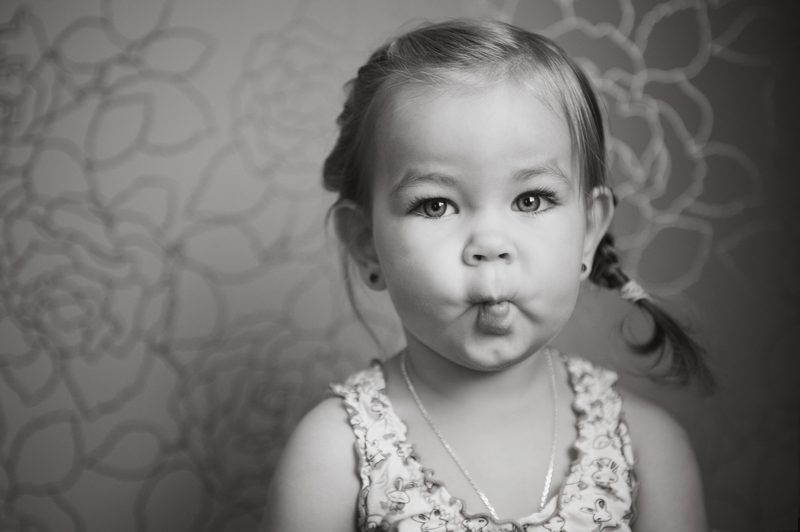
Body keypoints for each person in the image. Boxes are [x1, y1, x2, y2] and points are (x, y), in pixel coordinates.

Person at [263, 19, 713, 532]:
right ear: (367, 243)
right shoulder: (333, 457)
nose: (491, 244)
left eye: (532, 199)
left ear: (589, 232)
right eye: (435, 205)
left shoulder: (648, 449)